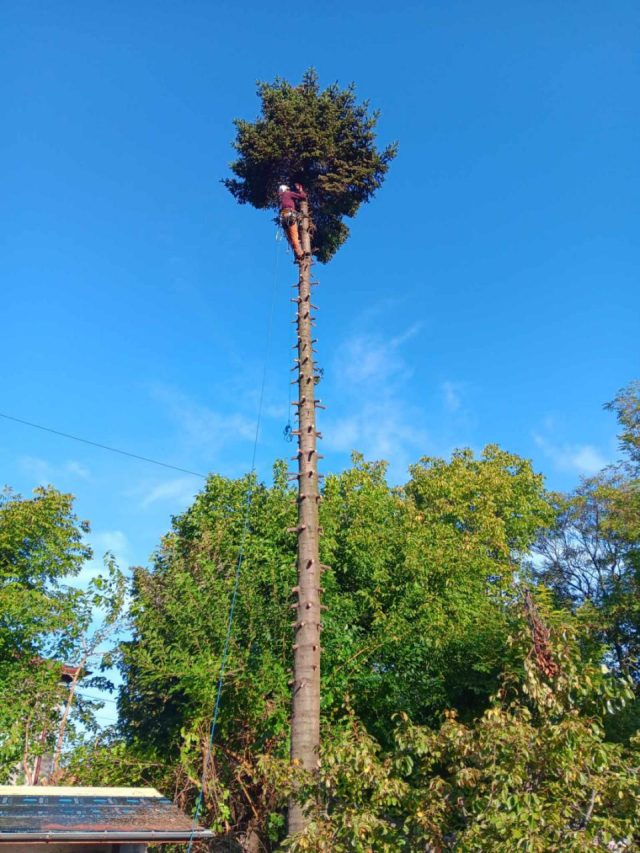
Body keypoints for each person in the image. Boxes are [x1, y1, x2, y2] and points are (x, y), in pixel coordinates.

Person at [278, 183, 307, 261]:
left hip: (283, 219)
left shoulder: (281, 199)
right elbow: (302, 196)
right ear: (286, 189)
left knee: (290, 239)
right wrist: (300, 190)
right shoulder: (288, 194)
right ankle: (300, 254)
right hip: (290, 217)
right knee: (294, 237)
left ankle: (296, 255)